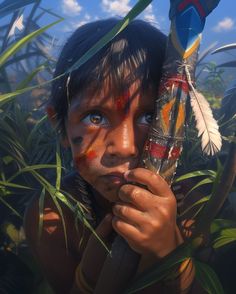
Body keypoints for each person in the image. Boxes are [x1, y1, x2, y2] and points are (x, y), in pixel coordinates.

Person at [24, 18, 197, 293]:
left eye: (149, 116)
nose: (126, 147)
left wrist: (169, 252)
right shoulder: (52, 218)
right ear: (61, 127)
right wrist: (90, 278)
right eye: (96, 117)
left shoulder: (191, 203)